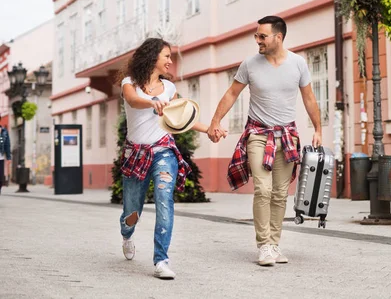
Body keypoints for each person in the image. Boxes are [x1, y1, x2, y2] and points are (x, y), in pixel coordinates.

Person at [208, 16, 322, 266]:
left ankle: (274, 243)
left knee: (281, 194)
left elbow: (310, 98)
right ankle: (264, 245)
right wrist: (215, 121)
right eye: (256, 36)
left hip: (288, 136)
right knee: (263, 188)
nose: (257, 40)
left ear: (278, 37)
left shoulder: (298, 64)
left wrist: (318, 128)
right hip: (258, 134)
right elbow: (231, 94)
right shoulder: (249, 64)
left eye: (262, 36)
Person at [118, 38, 220, 279]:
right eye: (166, 56)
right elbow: (133, 100)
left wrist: (209, 129)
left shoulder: (170, 88)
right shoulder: (129, 83)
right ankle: (127, 234)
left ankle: (161, 260)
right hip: (136, 154)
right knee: (132, 212)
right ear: (153, 57)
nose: (170, 61)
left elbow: (180, 118)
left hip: (163, 151)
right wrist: (152, 102)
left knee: (164, 199)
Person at [0, 125, 11, 195]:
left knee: (1, 180)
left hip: (0, 158)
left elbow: (7, 144)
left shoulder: (4, 131)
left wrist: (8, 157)